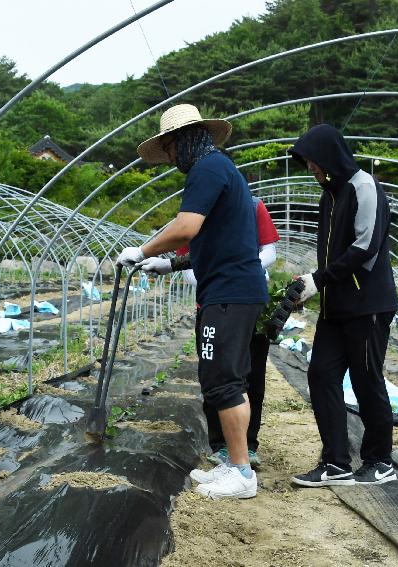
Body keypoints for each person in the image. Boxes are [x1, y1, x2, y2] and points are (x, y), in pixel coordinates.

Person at [117, 103, 268, 499]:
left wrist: (142, 248)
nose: (169, 160)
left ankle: (242, 475)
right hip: (230, 288)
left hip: (230, 292)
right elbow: (211, 241)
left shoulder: (207, 169)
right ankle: (233, 463)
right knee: (221, 377)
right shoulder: (219, 170)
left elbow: (187, 227)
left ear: (180, 141)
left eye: (168, 150)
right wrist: (166, 265)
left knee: (224, 380)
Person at [288, 124, 398, 487]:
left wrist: (319, 279)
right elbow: (331, 253)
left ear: (329, 158)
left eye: (313, 162)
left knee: (366, 381)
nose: (311, 169)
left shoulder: (364, 187)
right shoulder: (329, 195)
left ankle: (380, 460)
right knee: (320, 374)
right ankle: (335, 461)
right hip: (336, 308)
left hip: (368, 304)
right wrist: (314, 286)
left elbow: (365, 248)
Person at [154, 196, 279, 467]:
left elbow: (269, 250)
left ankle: (249, 445)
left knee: (252, 375)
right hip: (211, 305)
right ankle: (221, 445)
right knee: (214, 376)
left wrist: (245, 270)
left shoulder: (251, 205)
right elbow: (189, 270)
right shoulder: (190, 216)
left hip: (250, 303)